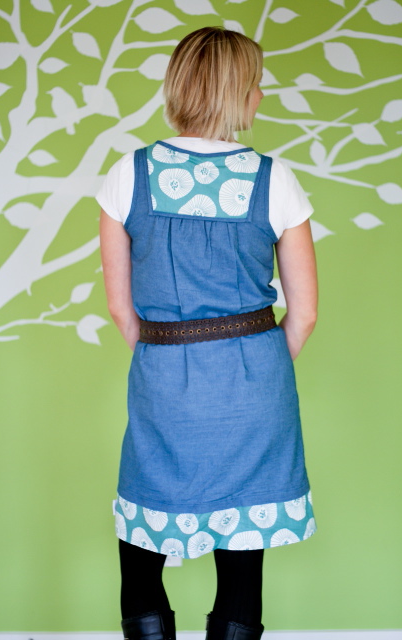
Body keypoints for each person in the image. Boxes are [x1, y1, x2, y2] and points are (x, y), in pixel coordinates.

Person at [97, 26, 318, 640]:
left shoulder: (128, 174)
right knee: (244, 546)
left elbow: (120, 308)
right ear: (236, 93)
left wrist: (168, 358)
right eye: (256, 84)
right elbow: (304, 313)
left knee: (143, 536)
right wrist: (259, 367)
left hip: (163, 377)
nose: (261, 96)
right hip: (256, 381)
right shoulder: (275, 179)